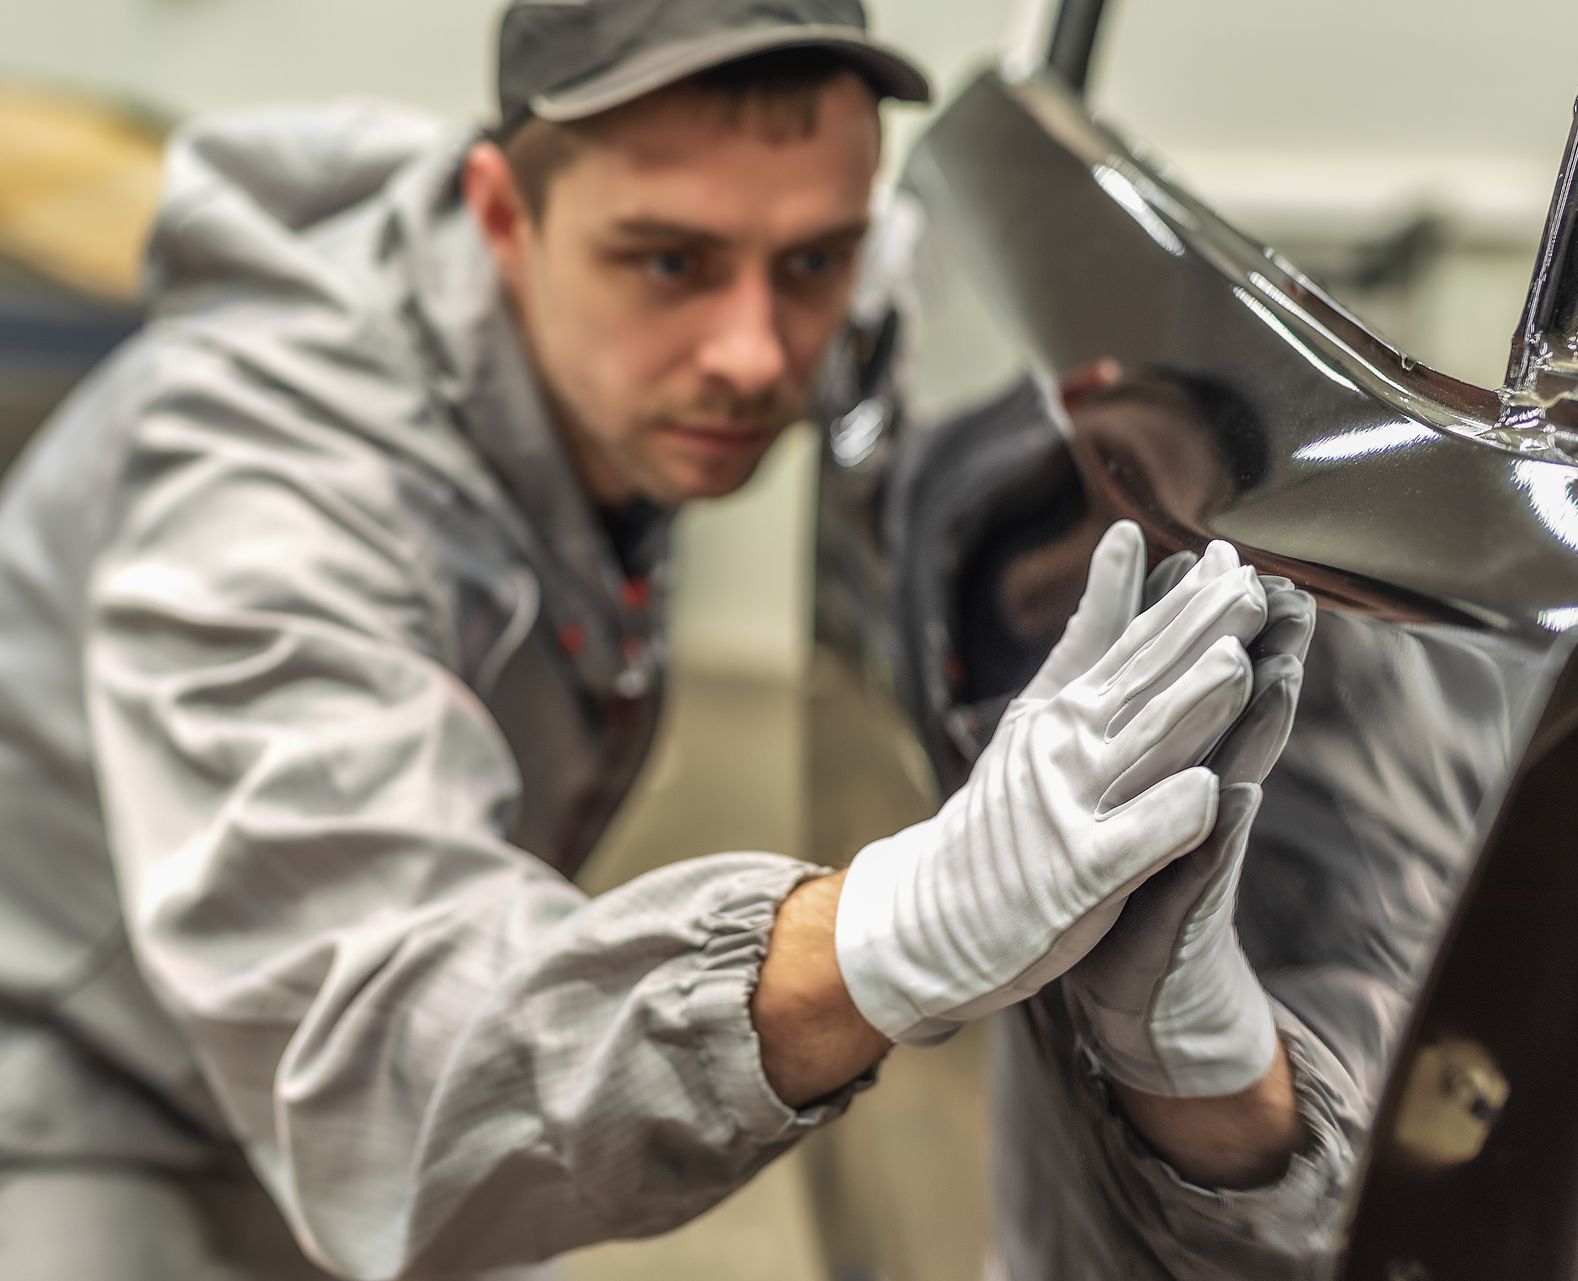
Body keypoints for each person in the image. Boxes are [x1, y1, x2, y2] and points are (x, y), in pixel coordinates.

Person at [0, 2, 1329, 1277]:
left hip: (367, 1041)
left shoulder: (660, 302)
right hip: (85, 1084)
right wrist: (880, 933)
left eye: (812, 260)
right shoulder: (265, 502)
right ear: (502, 217)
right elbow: (383, 1065)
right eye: (670, 262)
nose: (757, 355)